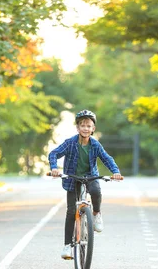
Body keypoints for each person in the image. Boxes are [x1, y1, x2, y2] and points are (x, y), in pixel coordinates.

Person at [48, 109, 123, 260]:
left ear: (93, 129)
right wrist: (54, 168)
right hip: (72, 178)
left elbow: (107, 158)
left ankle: (96, 214)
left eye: (88, 126)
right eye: (82, 125)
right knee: (70, 212)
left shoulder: (95, 145)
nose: (85, 128)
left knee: (96, 191)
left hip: (90, 176)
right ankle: (67, 246)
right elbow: (53, 154)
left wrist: (116, 172)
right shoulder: (70, 143)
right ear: (77, 128)